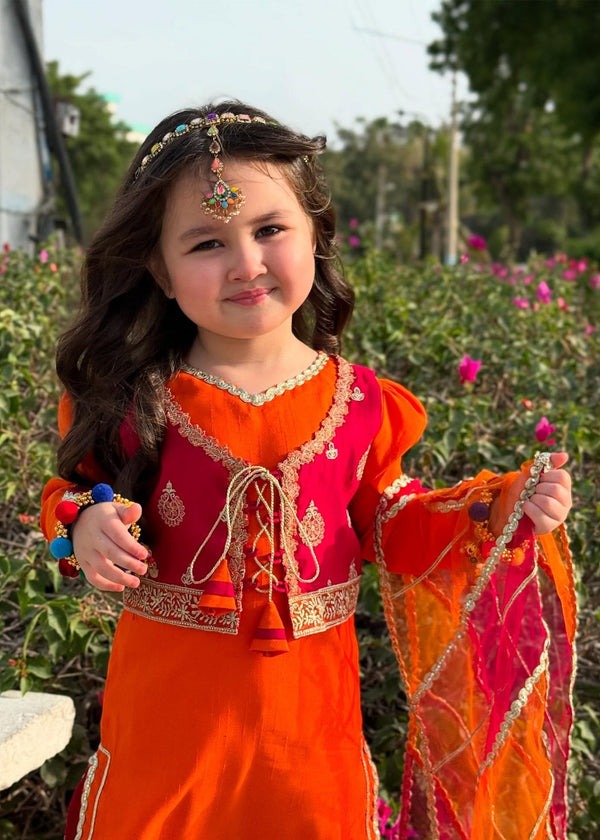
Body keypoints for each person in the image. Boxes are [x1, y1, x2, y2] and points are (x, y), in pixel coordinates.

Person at [40, 101, 575, 840]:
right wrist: (85, 526)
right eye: (206, 243)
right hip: (166, 734)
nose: (246, 263)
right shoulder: (134, 402)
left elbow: (395, 525)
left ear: (317, 234)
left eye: (270, 230)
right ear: (159, 270)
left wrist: (495, 508)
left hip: (310, 740)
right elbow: (67, 495)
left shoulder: (361, 405)